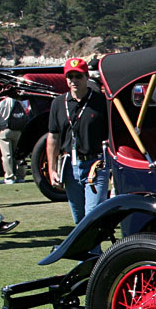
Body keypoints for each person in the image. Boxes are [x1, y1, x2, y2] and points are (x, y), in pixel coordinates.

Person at [47, 57, 110, 224]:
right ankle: (87, 251)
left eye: (78, 76)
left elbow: (112, 134)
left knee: (92, 215)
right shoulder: (58, 103)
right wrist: (52, 169)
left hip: (96, 164)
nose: (74, 80)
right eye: (70, 76)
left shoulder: (100, 101)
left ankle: (95, 251)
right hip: (69, 166)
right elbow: (53, 137)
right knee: (79, 219)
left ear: (87, 77)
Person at [0, 93, 26, 184]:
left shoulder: (1, 102)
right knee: (18, 154)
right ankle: (21, 176)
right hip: (18, 130)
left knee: (7, 155)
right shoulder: (18, 102)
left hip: (4, 130)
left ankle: (9, 177)